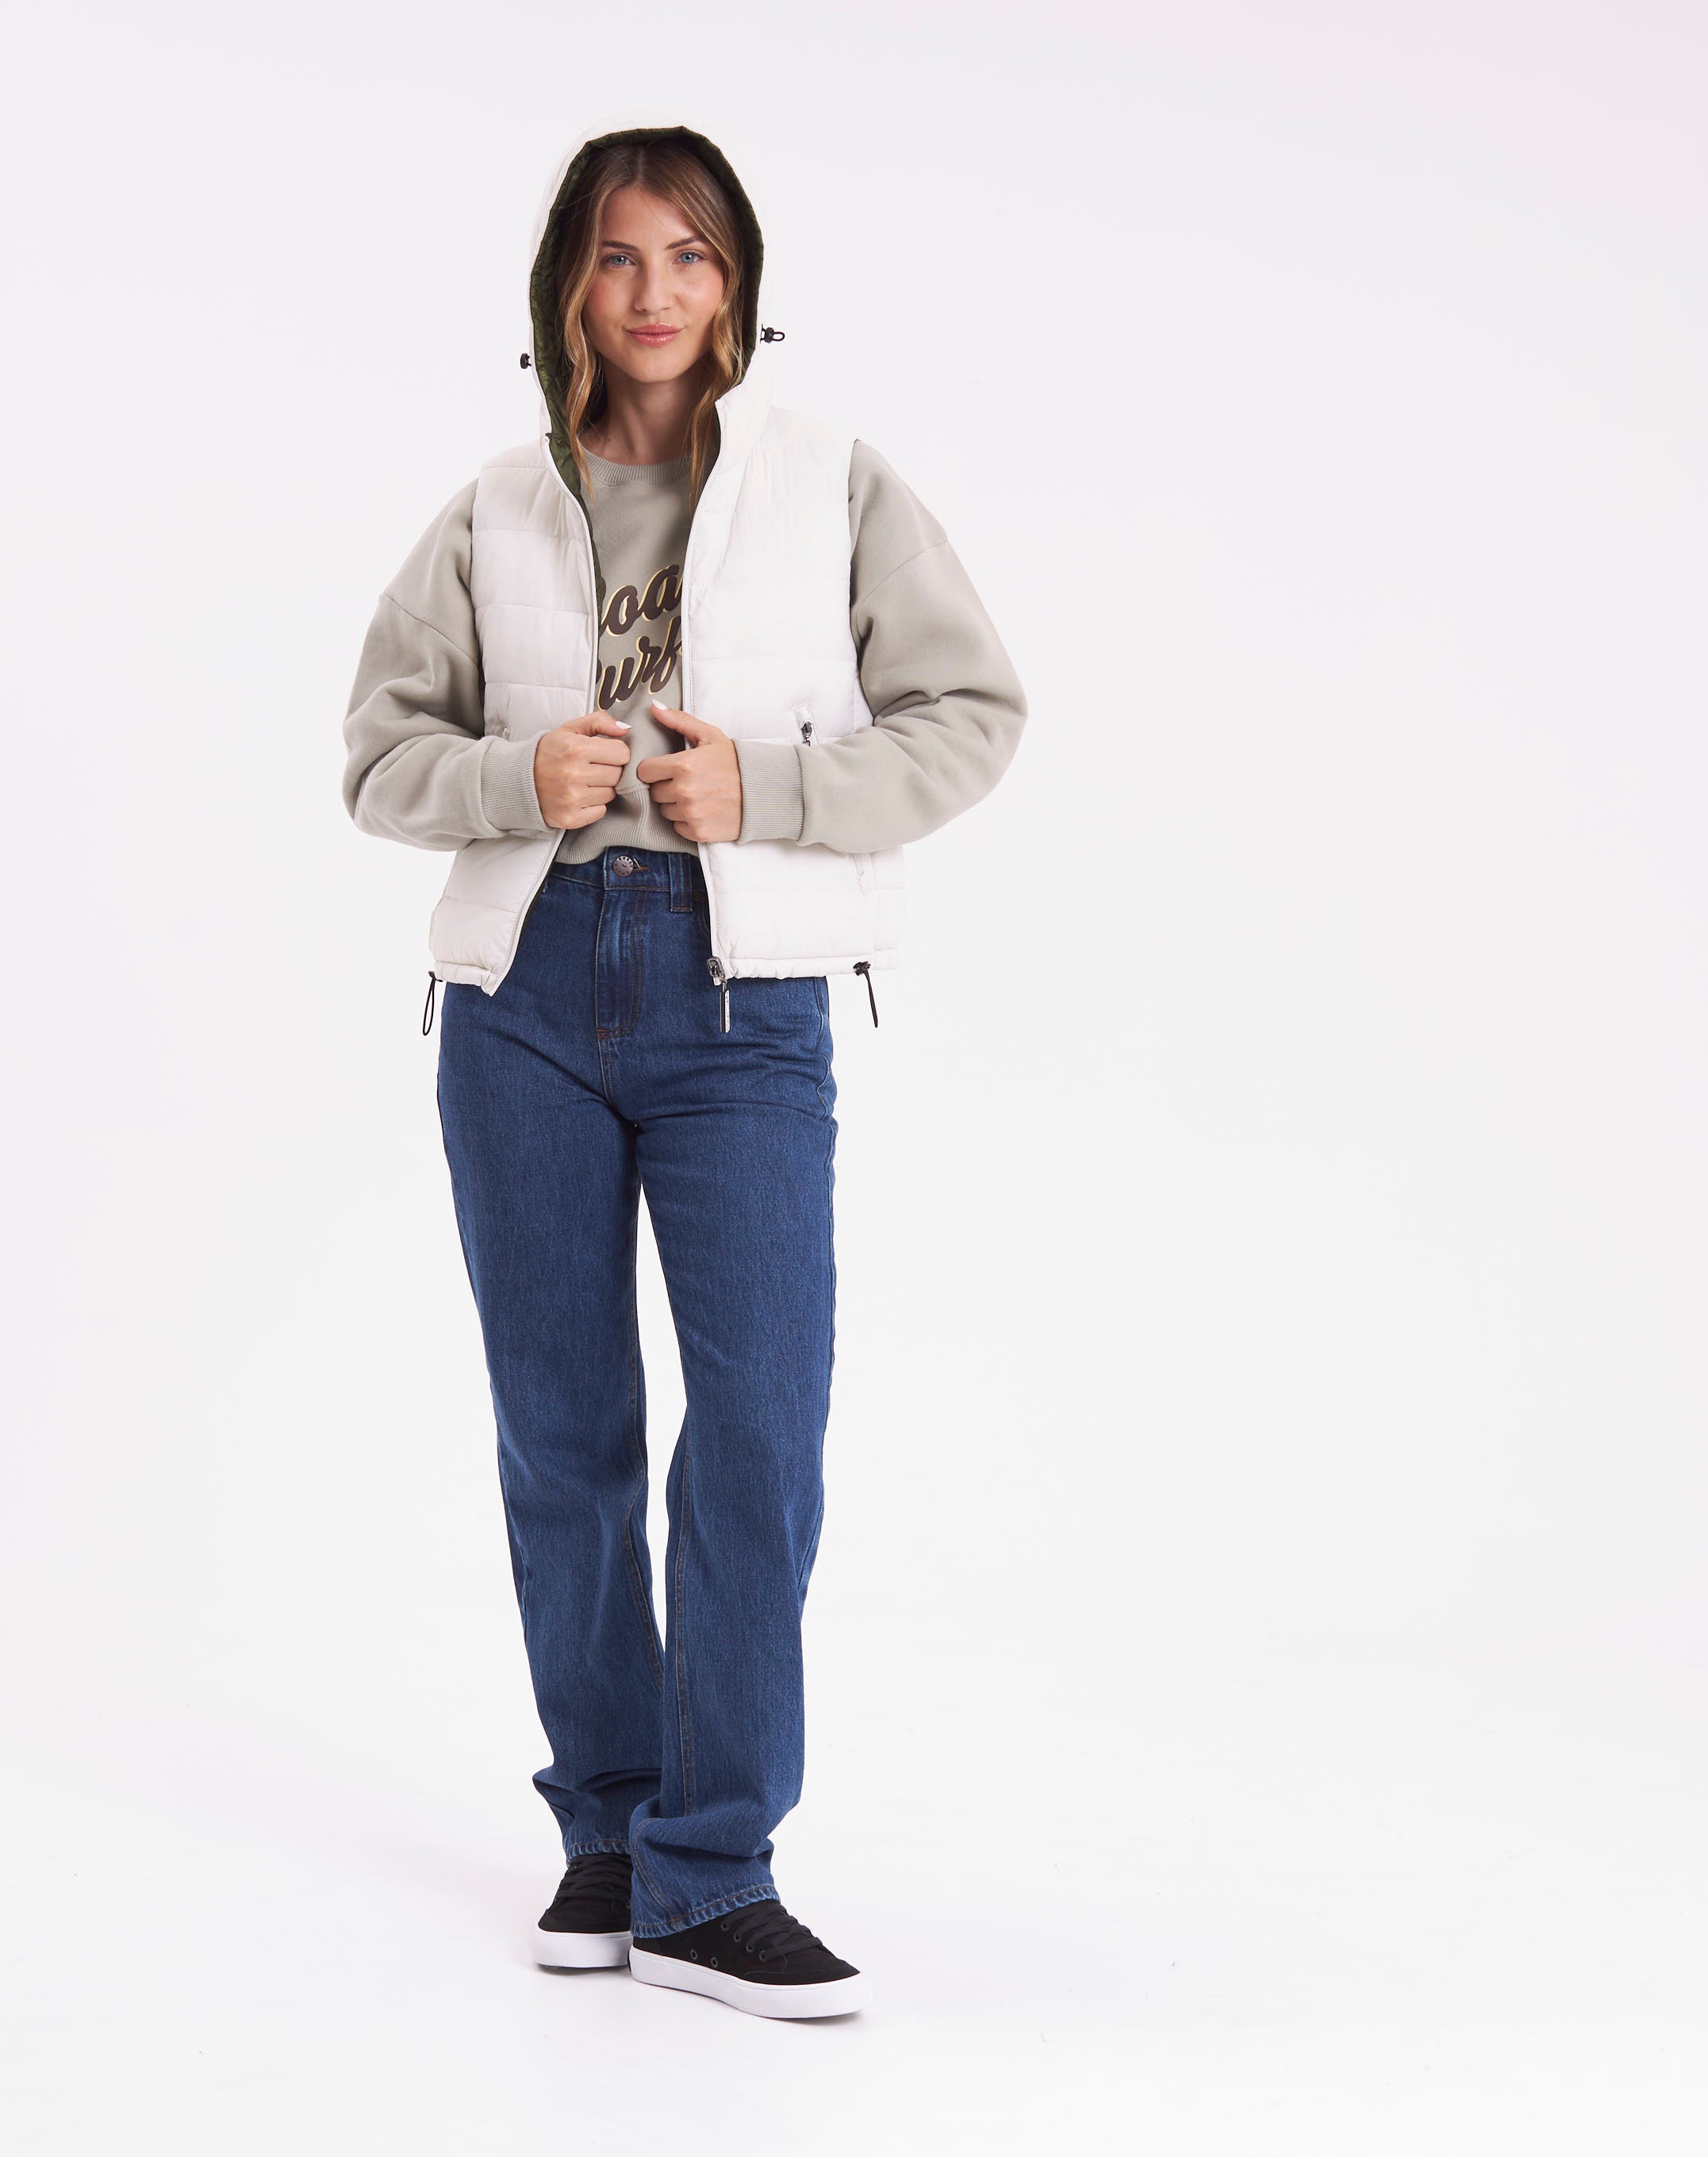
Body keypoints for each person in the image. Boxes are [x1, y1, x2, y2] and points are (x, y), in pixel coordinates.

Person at [340, 122, 1027, 2020]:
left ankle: (714, 1869)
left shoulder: (832, 484)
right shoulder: (492, 509)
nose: (656, 293)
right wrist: (512, 776)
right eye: (622, 256)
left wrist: (777, 790)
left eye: (694, 256)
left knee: (759, 1431)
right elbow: (378, 750)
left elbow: (973, 710)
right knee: (562, 1436)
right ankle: (611, 1831)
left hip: (743, 1005)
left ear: (738, 286)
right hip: (527, 995)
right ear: (566, 283)